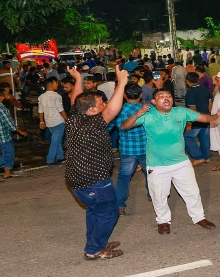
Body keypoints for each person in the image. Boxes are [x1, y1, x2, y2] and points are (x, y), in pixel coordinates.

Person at [121, 89, 220, 234]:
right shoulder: (148, 115)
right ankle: (163, 221)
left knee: (192, 192)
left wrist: (217, 116)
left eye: (169, 96)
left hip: (181, 162)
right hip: (157, 165)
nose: (166, 98)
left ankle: (199, 217)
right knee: (159, 195)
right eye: (161, 97)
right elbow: (124, 126)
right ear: (154, 102)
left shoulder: (181, 112)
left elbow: (204, 118)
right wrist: (138, 114)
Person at [65, 65, 129, 260]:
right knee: (109, 213)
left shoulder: (74, 118)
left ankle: (96, 241)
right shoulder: (94, 122)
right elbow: (113, 109)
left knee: (95, 210)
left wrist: (78, 79)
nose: (105, 105)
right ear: (92, 110)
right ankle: (94, 250)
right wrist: (122, 83)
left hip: (77, 180)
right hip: (94, 180)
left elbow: (76, 100)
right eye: (101, 104)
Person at [109, 83, 151, 216]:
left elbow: (110, 127)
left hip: (127, 149)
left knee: (124, 176)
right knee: (150, 173)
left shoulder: (119, 111)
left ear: (125, 95)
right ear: (141, 96)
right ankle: (152, 195)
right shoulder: (148, 109)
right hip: (146, 148)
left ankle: (120, 204)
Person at [38, 77, 68, 166]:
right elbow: (61, 110)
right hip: (58, 121)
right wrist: (67, 120)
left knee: (56, 140)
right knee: (55, 141)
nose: (58, 85)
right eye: (56, 83)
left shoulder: (41, 97)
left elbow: (40, 111)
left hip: (49, 122)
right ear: (53, 83)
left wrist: (42, 122)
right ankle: (50, 160)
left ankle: (60, 157)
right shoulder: (57, 96)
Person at [184, 72, 212, 165]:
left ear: (187, 81)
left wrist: (189, 123)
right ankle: (207, 157)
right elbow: (210, 103)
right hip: (206, 117)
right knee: (204, 138)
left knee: (187, 136)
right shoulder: (205, 89)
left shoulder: (190, 92)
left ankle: (198, 157)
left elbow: (192, 108)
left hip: (196, 119)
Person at [0, 87, 28, 179]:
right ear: (1, 97)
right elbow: (9, 122)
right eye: (7, 95)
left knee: (9, 152)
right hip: (3, 136)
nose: (9, 96)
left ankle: (7, 172)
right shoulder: (1, 108)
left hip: (4, 135)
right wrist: (20, 131)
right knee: (8, 154)